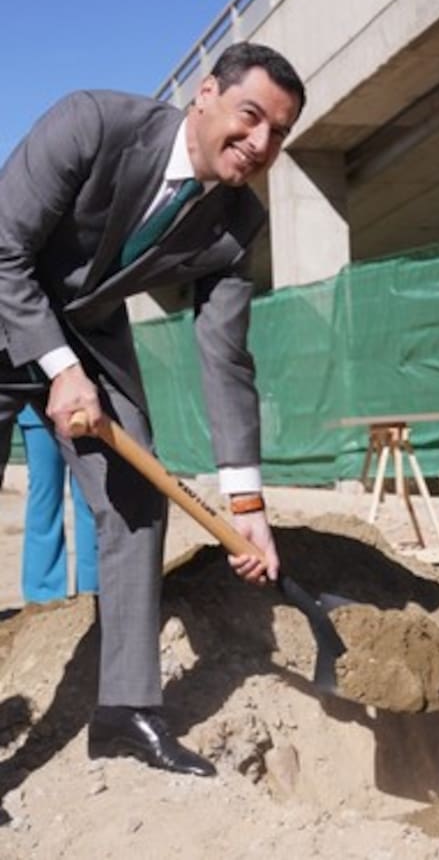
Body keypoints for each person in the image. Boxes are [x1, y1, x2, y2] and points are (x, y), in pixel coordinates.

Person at [0, 42, 305, 777]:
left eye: (279, 134)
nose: (260, 143)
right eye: (251, 116)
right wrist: (60, 368)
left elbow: (226, 361)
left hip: (88, 336)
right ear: (206, 93)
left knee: (136, 498)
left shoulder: (235, 226)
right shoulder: (92, 125)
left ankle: (125, 712)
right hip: (7, 303)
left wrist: (247, 504)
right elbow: (4, 249)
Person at [18, 405, 99, 603]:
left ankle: (92, 591)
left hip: (84, 408)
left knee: (90, 499)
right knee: (46, 499)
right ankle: (44, 597)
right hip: (39, 409)